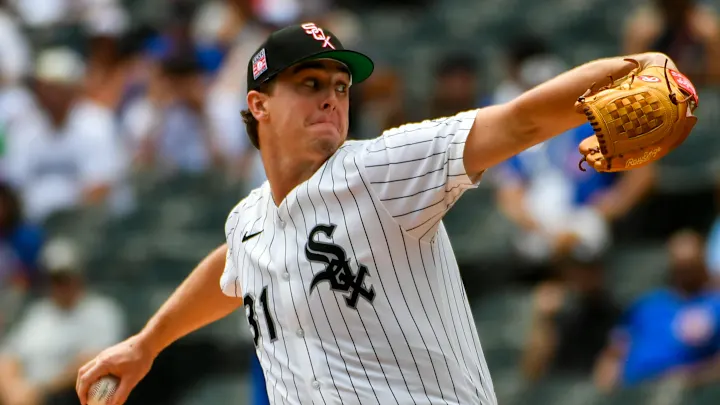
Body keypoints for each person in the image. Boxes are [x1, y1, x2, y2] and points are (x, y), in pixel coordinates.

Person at [75, 22, 684, 405]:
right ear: (259, 104)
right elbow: (232, 265)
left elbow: (519, 121)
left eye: (340, 86)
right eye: (310, 84)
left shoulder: (380, 167)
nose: (332, 98)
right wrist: (148, 343)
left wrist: (631, 70)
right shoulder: (250, 219)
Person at [593, 230, 720, 392]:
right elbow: (615, 350)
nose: (685, 271)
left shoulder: (715, 305)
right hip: (631, 392)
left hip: (682, 393)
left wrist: (693, 378)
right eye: (680, 265)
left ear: (703, 263)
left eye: (690, 265)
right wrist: (603, 387)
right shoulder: (648, 303)